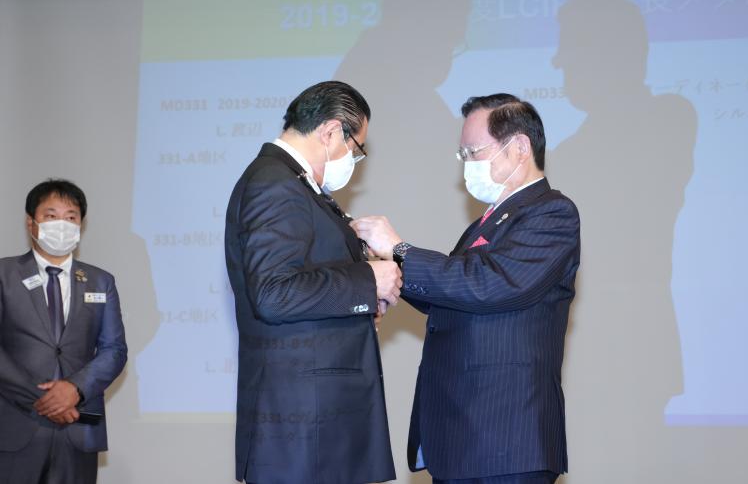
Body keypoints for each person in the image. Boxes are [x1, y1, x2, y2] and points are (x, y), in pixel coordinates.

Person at [352, 94, 580, 484]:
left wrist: (400, 249)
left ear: (519, 147)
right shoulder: (489, 221)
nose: (467, 165)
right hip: (464, 435)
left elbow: (489, 283)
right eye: (463, 155)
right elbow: (453, 293)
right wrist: (389, 269)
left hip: (505, 436)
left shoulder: (551, 212)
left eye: (474, 152)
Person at [224, 81, 400, 484]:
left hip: (317, 426)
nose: (354, 159)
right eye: (356, 148)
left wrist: (361, 300)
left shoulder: (296, 183)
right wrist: (366, 280)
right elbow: (273, 294)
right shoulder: (275, 183)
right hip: (303, 428)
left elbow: (301, 284)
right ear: (331, 131)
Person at [0, 179, 128, 484]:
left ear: (81, 224)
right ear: (31, 223)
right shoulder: (4, 274)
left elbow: (114, 350)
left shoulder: (101, 281)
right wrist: (43, 399)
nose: (62, 224)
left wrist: (74, 389)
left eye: (71, 217)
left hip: (79, 426)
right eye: (51, 215)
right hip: (14, 425)